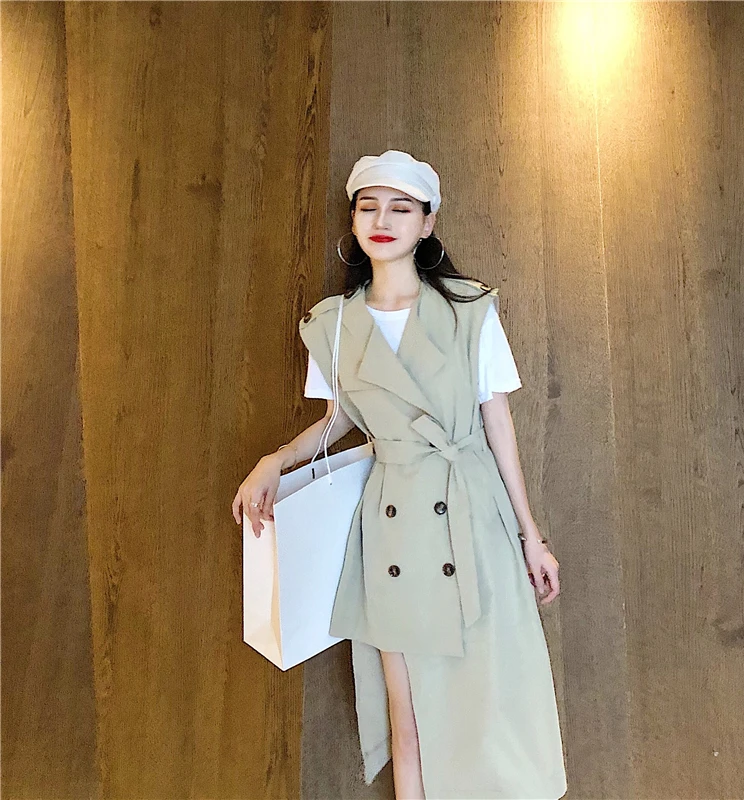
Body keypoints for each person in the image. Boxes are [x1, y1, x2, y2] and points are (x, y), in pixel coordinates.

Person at [232, 150, 567, 800]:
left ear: (427, 222)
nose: (383, 221)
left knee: (493, 699)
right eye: (369, 207)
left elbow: (498, 424)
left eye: (401, 208)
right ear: (354, 221)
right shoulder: (331, 326)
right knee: (408, 720)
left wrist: (532, 537)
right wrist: (276, 460)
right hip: (393, 529)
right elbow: (337, 420)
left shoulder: (470, 309)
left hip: (473, 515)